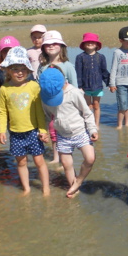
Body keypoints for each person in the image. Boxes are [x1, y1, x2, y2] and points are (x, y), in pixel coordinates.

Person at [0, 46, 50, 196]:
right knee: (21, 162)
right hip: (15, 133)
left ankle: (45, 188)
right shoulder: (4, 89)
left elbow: (39, 111)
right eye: (15, 69)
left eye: (23, 68)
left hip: (33, 131)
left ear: (28, 70)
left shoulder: (33, 86)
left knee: (39, 161)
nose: (19, 72)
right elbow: (2, 111)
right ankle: (26, 188)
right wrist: (1, 130)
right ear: (8, 70)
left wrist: (43, 130)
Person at [39, 66, 98, 198]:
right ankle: (73, 187)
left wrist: (92, 129)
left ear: (64, 82)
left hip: (81, 131)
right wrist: (44, 131)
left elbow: (87, 113)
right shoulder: (45, 97)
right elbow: (47, 116)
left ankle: (79, 181)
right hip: (62, 135)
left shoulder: (74, 93)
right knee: (66, 164)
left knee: (90, 158)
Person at [37, 30, 77, 163]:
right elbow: (39, 86)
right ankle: (55, 157)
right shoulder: (42, 67)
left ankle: (66, 156)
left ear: (61, 46)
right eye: (48, 44)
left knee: (64, 131)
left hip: (66, 106)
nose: (51, 46)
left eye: (55, 43)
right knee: (52, 131)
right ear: (43, 48)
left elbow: (75, 88)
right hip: (49, 106)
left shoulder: (68, 66)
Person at [75, 33, 110, 128]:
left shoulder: (101, 57)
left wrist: (109, 83)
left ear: (97, 44)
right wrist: (79, 86)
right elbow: (78, 72)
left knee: (96, 105)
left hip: (97, 86)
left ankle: (96, 124)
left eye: (92, 42)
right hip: (85, 87)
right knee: (87, 106)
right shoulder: (80, 57)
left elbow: (104, 71)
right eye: (87, 42)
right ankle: (88, 124)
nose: (90, 43)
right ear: (84, 44)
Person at [109, 26, 128, 129]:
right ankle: (119, 125)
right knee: (122, 105)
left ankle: (127, 124)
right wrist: (112, 84)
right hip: (121, 83)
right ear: (121, 40)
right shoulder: (117, 52)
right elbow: (113, 68)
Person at [0, 35, 20, 115]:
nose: (8, 53)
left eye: (11, 50)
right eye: (5, 51)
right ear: (1, 54)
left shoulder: (25, 71)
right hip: (6, 111)